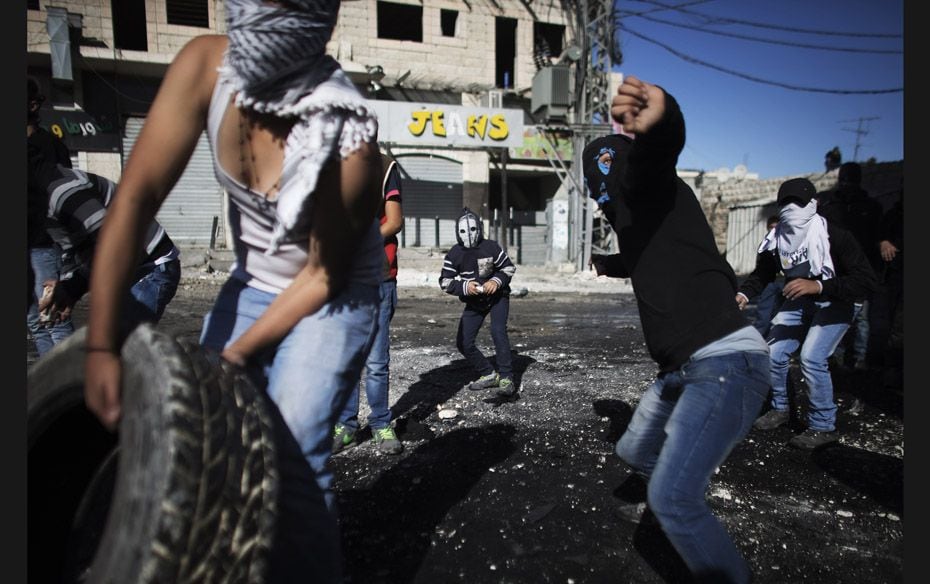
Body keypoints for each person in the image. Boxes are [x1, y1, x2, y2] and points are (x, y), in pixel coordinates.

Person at [81, 1, 386, 581]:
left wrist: (239, 352)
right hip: (252, 280)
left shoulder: (346, 137)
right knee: (208, 433)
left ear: (322, 20)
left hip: (334, 295)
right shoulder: (204, 66)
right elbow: (136, 196)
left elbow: (323, 276)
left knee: (295, 450)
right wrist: (99, 342)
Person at [583, 74, 770, 584]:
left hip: (725, 363)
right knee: (632, 450)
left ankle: (684, 514)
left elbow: (653, 159)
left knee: (673, 498)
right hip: (680, 368)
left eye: (603, 190)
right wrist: (610, 263)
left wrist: (663, 121)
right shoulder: (643, 219)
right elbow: (652, 256)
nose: (604, 204)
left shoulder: (644, 189)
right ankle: (675, 485)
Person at [737, 177, 877, 449]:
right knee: (773, 352)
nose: (791, 208)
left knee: (812, 356)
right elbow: (763, 273)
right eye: (786, 203)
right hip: (800, 300)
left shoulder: (834, 235)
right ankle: (780, 408)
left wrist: (819, 284)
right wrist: (743, 294)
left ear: (814, 204)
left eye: (797, 203)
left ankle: (823, 426)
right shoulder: (776, 238)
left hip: (837, 300)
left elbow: (866, 281)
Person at [28, 156, 181, 331]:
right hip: (122, 271)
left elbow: (114, 247)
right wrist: (66, 285)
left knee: (121, 345)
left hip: (150, 267)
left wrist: (72, 287)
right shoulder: (42, 204)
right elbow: (70, 249)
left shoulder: (64, 194)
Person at [333, 154, 404, 455]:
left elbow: (395, 221)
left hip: (378, 276)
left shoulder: (385, 167)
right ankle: (346, 426)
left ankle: (380, 423)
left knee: (376, 362)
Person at [439, 208, 517, 397]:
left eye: (473, 229)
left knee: (498, 331)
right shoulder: (454, 254)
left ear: (480, 229)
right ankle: (489, 373)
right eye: (464, 231)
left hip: (498, 297)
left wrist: (495, 281)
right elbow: (445, 281)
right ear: (457, 232)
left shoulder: (490, 247)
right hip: (475, 301)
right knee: (464, 342)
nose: (469, 235)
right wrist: (465, 287)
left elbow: (508, 268)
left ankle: (506, 376)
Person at [817, 162, 882, 370]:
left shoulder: (871, 208)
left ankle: (858, 358)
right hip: (834, 270)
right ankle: (835, 356)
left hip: (861, 271)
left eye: (849, 180)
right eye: (844, 180)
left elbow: (877, 237)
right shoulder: (830, 206)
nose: (846, 184)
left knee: (861, 318)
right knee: (833, 314)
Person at [27, 76, 75, 355]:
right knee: (34, 322)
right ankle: (53, 385)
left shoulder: (50, 145)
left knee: (52, 318)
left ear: (33, 104)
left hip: (45, 246)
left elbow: (66, 194)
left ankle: (72, 386)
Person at [751, 214, 785, 337]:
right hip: (769, 284)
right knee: (763, 316)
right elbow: (760, 267)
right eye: (771, 227)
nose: (773, 230)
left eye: (776, 227)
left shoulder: (787, 242)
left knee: (780, 316)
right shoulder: (765, 244)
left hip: (784, 282)